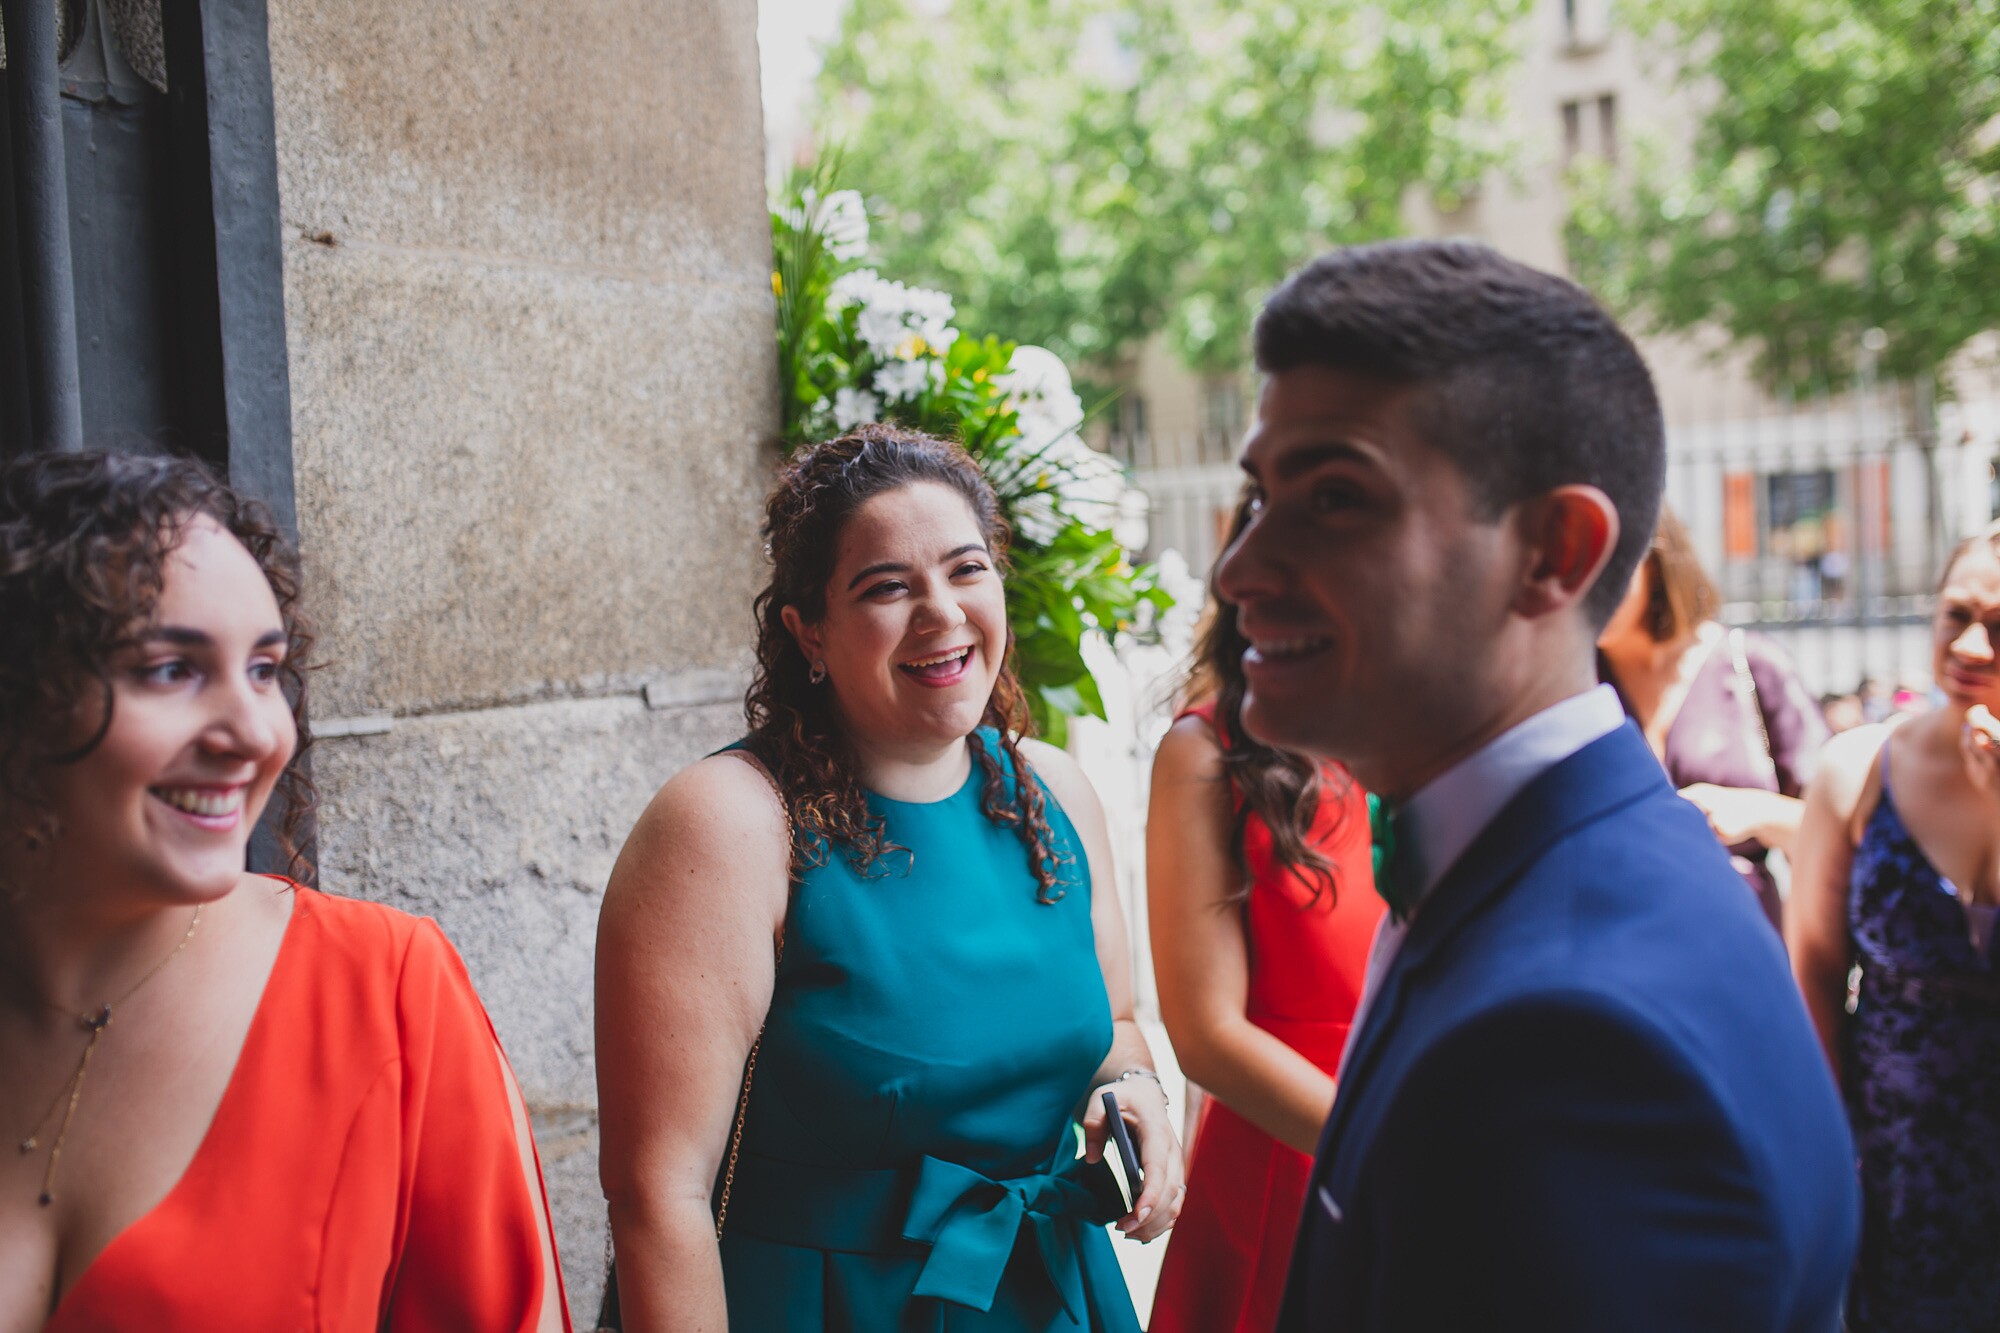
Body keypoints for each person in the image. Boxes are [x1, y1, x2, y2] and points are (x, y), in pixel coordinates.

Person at [1214, 240, 1858, 1332]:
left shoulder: (1576, 1045)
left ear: (1552, 551)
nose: (1239, 567)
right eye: (1259, 494)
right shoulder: (1535, 862)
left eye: (1332, 497)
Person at [594, 424, 1183, 1331]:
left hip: (1047, 1292)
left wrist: (1133, 1091)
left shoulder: (1055, 791)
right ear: (809, 632)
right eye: (887, 587)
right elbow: (656, 1194)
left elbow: (1120, 1026)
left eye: (966, 569)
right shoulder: (728, 822)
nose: (941, 611)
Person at [0, 452, 566, 1331]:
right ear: (20, 699)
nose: (258, 734)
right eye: (170, 669)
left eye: (264, 669)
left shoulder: (388, 993)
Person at [1145, 499, 1381, 1333]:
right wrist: (1385, 1149)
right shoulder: (1204, 754)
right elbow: (1205, 1032)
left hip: (1427, 1130)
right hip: (1294, 1156)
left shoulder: (1408, 731)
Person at [1788, 521, 2000, 1330]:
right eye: (1957, 614)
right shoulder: (1860, 769)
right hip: (1896, 1166)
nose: (1972, 643)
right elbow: (1809, 963)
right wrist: (1831, 1139)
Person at [1596, 507, 1829, 929]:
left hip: (1742, 944)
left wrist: (1755, 811)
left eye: (1603, 563)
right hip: (1615, 950)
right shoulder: (1570, 684)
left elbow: (1837, 836)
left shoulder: (1752, 665)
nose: (1582, 586)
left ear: (1655, 561)